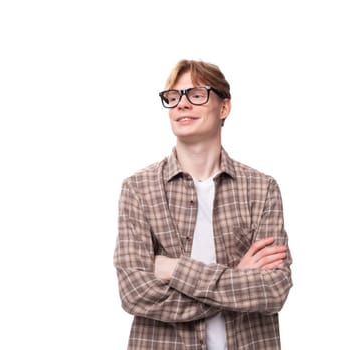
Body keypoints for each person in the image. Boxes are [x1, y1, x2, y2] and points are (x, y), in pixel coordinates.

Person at [114, 59, 293, 350]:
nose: (181, 104)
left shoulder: (262, 189)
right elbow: (135, 293)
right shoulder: (138, 189)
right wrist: (236, 279)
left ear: (224, 107)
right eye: (174, 97)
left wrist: (173, 269)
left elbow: (274, 291)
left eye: (197, 94)